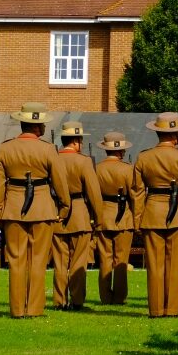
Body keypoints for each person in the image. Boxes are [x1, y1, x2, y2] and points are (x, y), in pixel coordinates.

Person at [0, 102, 70, 318]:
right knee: (38, 260)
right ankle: (34, 309)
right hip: (42, 209)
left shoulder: (4, 148)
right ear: (37, 128)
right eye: (42, 124)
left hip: (13, 208)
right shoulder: (47, 149)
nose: (43, 127)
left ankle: (17, 310)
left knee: (16, 260)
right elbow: (60, 183)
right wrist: (64, 207)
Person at [132, 112, 178, 319]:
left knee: (154, 264)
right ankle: (172, 309)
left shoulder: (144, 157)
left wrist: (137, 220)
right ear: (176, 135)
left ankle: (155, 309)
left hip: (152, 212)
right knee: (175, 264)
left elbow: (137, 192)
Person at [52, 121, 103, 310]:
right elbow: (94, 193)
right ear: (76, 141)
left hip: (57, 212)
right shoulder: (83, 161)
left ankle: (59, 300)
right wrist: (99, 219)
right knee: (78, 261)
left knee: (59, 262)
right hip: (79, 213)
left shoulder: (54, 159)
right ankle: (77, 300)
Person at [94, 132, 137, 305]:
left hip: (103, 215)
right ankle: (119, 297)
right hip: (124, 217)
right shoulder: (128, 169)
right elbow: (134, 196)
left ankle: (105, 296)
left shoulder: (96, 169)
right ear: (121, 151)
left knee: (105, 258)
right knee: (121, 260)